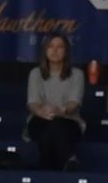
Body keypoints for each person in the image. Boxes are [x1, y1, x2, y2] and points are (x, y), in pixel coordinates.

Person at [25, 34, 85, 171]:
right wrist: (41, 111)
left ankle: (45, 168)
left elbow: (74, 103)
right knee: (49, 128)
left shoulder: (77, 74)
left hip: (68, 121)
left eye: (60, 47)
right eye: (51, 46)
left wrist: (61, 111)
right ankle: (69, 159)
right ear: (45, 50)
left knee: (55, 127)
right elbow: (32, 103)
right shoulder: (35, 73)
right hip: (40, 120)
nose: (55, 50)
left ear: (66, 51)